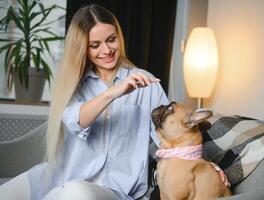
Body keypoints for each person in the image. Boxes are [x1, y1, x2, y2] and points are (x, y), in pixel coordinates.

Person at [0, 4, 169, 200]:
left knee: (76, 193)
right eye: (94, 45)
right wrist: (112, 93)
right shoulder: (72, 84)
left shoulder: (146, 83)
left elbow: (169, 139)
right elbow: (76, 121)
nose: (106, 50)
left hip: (111, 189)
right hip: (56, 177)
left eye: (111, 40)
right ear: (82, 48)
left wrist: (199, 165)